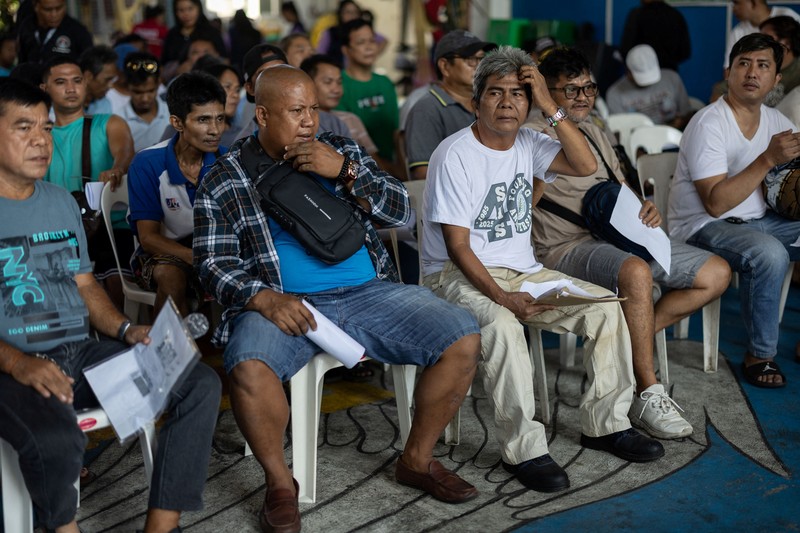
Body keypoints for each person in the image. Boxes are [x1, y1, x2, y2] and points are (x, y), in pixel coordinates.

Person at [194, 65, 482, 531]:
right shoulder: (225, 177)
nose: (309, 121)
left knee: (462, 335)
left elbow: (402, 211)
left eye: (313, 109)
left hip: (369, 292)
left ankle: (416, 459)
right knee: (247, 366)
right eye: (295, 111)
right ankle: (280, 484)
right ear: (263, 115)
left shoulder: (340, 148)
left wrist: (346, 171)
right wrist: (264, 299)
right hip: (285, 303)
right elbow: (212, 262)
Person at [421, 46, 665, 493]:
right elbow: (457, 248)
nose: (508, 102)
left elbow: (585, 164)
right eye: (496, 93)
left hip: (522, 270)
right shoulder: (454, 154)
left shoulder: (530, 142)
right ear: (476, 102)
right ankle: (525, 449)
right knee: (503, 326)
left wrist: (551, 107)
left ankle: (605, 424)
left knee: (608, 310)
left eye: (519, 93)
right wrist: (503, 298)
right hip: (454, 276)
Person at [0, 76, 221, 533]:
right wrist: (19, 362)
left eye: (45, 128)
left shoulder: (61, 202)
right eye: (24, 128)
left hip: (78, 356)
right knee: (56, 436)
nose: (42, 141)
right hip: (12, 369)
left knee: (197, 383)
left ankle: (160, 526)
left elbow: (84, 285)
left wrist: (126, 331)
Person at [528, 47, 731, 439]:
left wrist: (645, 208)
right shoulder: (531, 135)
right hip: (566, 247)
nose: (584, 97)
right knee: (637, 273)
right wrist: (553, 112)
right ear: (547, 94)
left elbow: (618, 187)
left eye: (589, 87)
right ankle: (647, 391)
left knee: (716, 272)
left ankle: (627, 338)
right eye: (571, 91)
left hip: (620, 234)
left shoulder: (596, 130)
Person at [668, 33, 800, 388]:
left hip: (759, 221)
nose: (752, 73)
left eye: (763, 66)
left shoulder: (778, 122)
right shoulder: (709, 122)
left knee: (770, 242)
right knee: (768, 253)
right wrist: (768, 158)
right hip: (703, 225)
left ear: (775, 79)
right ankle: (760, 355)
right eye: (743, 64)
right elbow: (716, 202)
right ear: (729, 73)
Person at [128, 71, 226, 317]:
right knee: (171, 276)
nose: (215, 130)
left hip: (217, 248)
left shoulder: (229, 160)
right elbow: (148, 239)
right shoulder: (148, 163)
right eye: (203, 120)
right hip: (163, 253)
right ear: (177, 122)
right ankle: (167, 352)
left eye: (220, 119)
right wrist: (198, 258)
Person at [40, 56, 135, 306]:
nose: (71, 89)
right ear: (45, 88)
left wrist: (117, 168)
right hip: (57, 232)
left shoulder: (108, 123)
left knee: (116, 282)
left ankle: (119, 338)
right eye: (61, 82)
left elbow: (125, 150)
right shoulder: (40, 134)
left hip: (110, 227)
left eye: (77, 81)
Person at [405, 29, 496, 180]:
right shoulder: (427, 109)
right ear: (445, 66)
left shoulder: (487, 103)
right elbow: (423, 174)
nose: (479, 66)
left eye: (482, 59)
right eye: (470, 60)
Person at [235, 43, 348, 141]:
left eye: (283, 71)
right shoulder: (243, 148)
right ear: (250, 88)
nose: (309, 122)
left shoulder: (333, 124)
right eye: (265, 75)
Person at [336, 19, 398, 162]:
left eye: (372, 41)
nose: (369, 47)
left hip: (391, 167)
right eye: (361, 42)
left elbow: (395, 133)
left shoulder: (385, 83)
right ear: (346, 50)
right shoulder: (338, 85)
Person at [606, 44, 692, 129]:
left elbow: (687, 114)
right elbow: (620, 132)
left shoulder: (672, 78)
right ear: (628, 71)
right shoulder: (614, 94)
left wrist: (679, 122)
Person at [724, 0, 800, 68]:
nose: (733, 8)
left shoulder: (788, 15)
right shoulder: (737, 31)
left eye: (737, 3)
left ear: (754, 2)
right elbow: (728, 69)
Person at [120, 52, 170, 152]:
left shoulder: (172, 114)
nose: (145, 99)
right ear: (127, 87)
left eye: (151, 91)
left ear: (159, 83)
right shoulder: (118, 120)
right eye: (138, 92)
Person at [620, 0, 691, 71]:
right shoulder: (677, 15)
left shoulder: (637, 15)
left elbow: (626, 49)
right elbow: (685, 52)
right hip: (669, 73)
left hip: (642, 75)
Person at [16, 0, 92, 64]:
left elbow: (88, 64)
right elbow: (22, 61)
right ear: (36, 7)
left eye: (59, 8)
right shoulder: (27, 27)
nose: (54, 14)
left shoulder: (78, 31)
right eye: (48, 10)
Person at [161, 0, 226, 70]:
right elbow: (164, 62)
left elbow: (225, 59)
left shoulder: (211, 32)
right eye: (181, 10)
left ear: (199, 8)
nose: (186, 14)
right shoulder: (172, 35)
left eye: (190, 9)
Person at [760, 16, 800, 98]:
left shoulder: (797, 73)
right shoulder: (755, 65)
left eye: (766, 38)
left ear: (787, 43)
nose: (760, 43)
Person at [79, 45, 117, 115]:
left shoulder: (104, 104)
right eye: (107, 80)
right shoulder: (63, 104)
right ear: (88, 76)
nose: (111, 86)